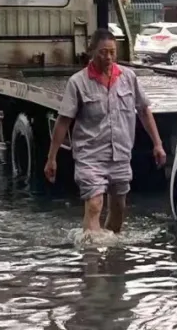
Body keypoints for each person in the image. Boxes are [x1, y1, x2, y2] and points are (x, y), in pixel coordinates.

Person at [45, 29, 167, 236]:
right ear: (92, 51)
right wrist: (52, 158)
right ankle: (92, 260)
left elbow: (144, 110)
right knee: (94, 204)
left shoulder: (128, 78)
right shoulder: (78, 82)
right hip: (90, 155)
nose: (108, 57)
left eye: (112, 52)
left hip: (120, 153)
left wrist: (158, 144)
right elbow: (64, 120)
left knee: (118, 207)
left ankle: (109, 255)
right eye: (103, 52)